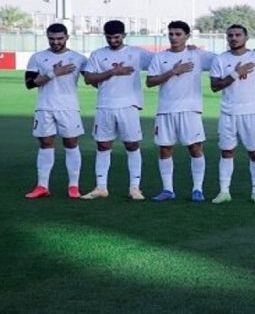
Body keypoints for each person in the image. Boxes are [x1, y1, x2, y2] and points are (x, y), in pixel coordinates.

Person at [80, 20, 154, 201]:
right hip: (105, 105)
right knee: (103, 145)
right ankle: (101, 187)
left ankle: (135, 188)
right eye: (109, 37)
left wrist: (187, 50)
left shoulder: (137, 53)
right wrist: (112, 72)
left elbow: (162, 60)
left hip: (129, 106)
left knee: (132, 145)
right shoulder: (98, 54)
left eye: (116, 37)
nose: (113, 40)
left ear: (124, 35)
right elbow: (88, 78)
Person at [146, 20, 215, 202]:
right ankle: (168, 190)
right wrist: (173, 71)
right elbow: (150, 81)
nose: (174, 37)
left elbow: (225, 59)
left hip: (190, 110)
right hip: (165, 110)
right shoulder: (160, 57)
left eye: (178, 34)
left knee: (195, 148)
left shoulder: (197, 55)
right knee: (165, 149)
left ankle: (197, 189)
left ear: (187, 36)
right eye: (171, 34)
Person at [24, 23, 87, 199]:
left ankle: (73, 186)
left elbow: (91, 79)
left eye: (59, 38)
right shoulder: (37, 57)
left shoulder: (79, 58)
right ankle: (42, 186)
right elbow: (29, 83)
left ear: (67, 37)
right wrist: (54, 73)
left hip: (69, 107)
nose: (56, 42)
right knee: (45, 143)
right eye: (52, 39)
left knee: (71, 143)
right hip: (45, 107)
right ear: (47, 37)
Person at [209, 24, 255, 204]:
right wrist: (236, 73)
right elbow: (215, 86)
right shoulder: (220, 59)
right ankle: (224, 192)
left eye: (238, 35)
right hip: (228, 113)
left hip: (252, 113)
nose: (234, 38)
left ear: (246, 37)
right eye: (230, 35)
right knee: (227, 151)